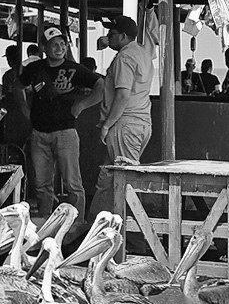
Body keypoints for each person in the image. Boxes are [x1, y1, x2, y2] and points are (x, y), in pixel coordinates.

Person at [19, 27, 103, 218]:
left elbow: (101, 86)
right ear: (44, 47)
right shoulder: (34, 69)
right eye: (54, 44)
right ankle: (44, 224)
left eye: (62, 44)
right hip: (39, 133)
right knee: (41, 185)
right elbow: (18, 86)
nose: (59, 48)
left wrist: (82, 105)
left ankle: (77, 224)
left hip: (66, 132)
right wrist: (25, 109)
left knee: (73, 183)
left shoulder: (75, 69)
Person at [88, 15, 154, 224]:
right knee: (109, 179)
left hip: (124, 124)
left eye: (112, 34)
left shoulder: (125, 58)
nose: (108, 37)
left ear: (123, 36)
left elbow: (123, 95)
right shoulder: (143, 52)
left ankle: (133, 237)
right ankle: (97, 228)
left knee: (123, 183)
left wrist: (107, 125)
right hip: (141, 123)